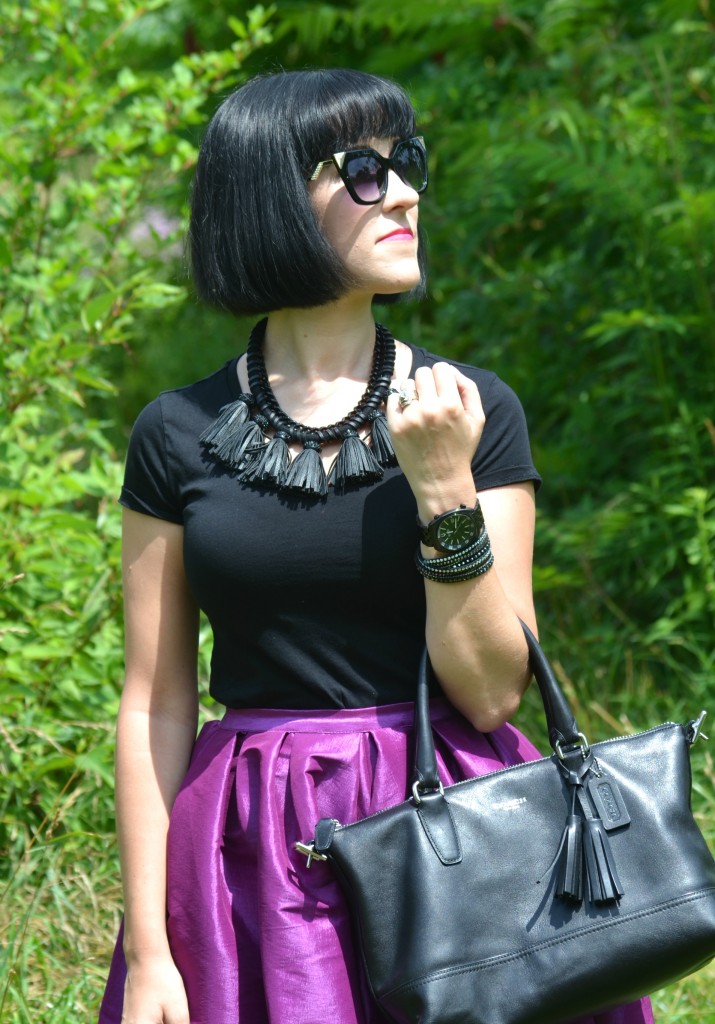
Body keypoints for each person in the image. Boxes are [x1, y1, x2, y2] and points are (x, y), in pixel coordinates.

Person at [98, 68, 653, 1024]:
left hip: (457, 833)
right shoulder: (175, 432)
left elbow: (489, 689)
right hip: (250, 850)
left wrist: (443, 485)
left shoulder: (470, 408)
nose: (402, 193)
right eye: (360, 170)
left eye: (408, 164)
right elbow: (155, 699)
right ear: (270, 195)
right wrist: (151, 948)